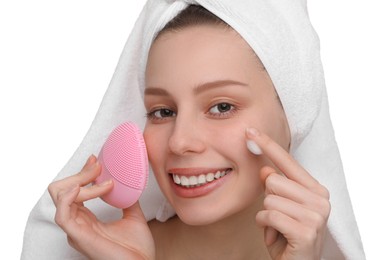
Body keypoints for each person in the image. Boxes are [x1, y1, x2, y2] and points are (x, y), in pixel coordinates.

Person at [22, 1, 365, 259]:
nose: (180, 141)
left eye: (221, 107)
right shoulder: (104, 251)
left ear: (293, 115)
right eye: (162, 111)